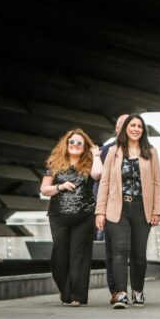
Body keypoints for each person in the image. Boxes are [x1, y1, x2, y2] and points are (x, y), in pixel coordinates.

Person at [95, 114, 160, 309]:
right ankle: (121, 293)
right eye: (132, 125)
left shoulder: (150, 151)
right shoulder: (113, 152)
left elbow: (157, 182)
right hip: (118, 208)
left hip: (142, 208)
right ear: (124, 128)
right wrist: (100, 212)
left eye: (139, 126)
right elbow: (105, 182)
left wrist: (156, 210)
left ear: (143, 130)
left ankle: (138, 292)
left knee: (139, 253)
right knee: (119, 251)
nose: (136, 129)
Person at [40, 128, 102, 306]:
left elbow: (98, 175)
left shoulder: (90, 163)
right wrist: (60, 187)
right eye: (72, 142)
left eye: (79, 143)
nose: (75, 145)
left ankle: (77, 296)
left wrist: (96, 155)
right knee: (59, 256)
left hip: (84, 215)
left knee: (79, 256)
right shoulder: (54, 164)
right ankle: (65, 291)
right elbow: (44, 190)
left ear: (85, 147)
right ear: (66, 145)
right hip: (59, 216)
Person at [94, 114, 128, 305]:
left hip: (134, 209)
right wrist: (100, 211)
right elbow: (99, 182)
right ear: (116, 129)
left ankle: (134, 290)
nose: (125, 129)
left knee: (133, 252)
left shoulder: (143, 151)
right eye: (121, 125)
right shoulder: (106, 150)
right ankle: (116, 291)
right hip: (111, 208)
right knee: (113, 251)